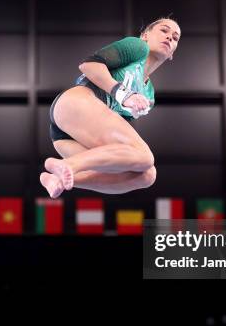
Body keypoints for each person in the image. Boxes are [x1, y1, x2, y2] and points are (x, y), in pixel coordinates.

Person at [40, 18, 181, 198]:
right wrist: (123, 94)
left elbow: (111, 125)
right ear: (145, 35)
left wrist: (129, 109)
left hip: (65, 137)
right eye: (164, 31)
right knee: (145, 157)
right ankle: (70, 166)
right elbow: (88, 65)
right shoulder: (138, 47)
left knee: (146, 175)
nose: (170, 37)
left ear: (171, 54)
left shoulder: (149, 96)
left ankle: (58, 179)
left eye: (175, 37)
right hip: (75, 102)